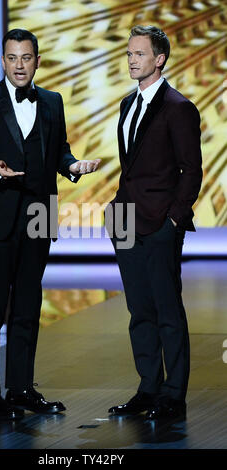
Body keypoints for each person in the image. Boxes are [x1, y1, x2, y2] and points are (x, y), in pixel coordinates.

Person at [0, 28, 100, 420]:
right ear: (2, 61)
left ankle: (20, 388)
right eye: (12, 58)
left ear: (37, 61)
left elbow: (60, 151)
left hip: (38, 217)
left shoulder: (53, 102)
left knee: (26, 306)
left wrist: (72, 166)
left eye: (26, 58)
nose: (19, 65)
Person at [108, 25, 202, 419]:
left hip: (160, 224)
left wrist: (173, 220)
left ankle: (172, 395)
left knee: (167, 310)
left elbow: (191, 170)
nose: (132, 59)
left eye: (139, 54)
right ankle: (148, 389)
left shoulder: (178, 107)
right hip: (126, 220)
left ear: (159, 59)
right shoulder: (127, 104)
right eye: (129, 53)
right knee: (139, 310)